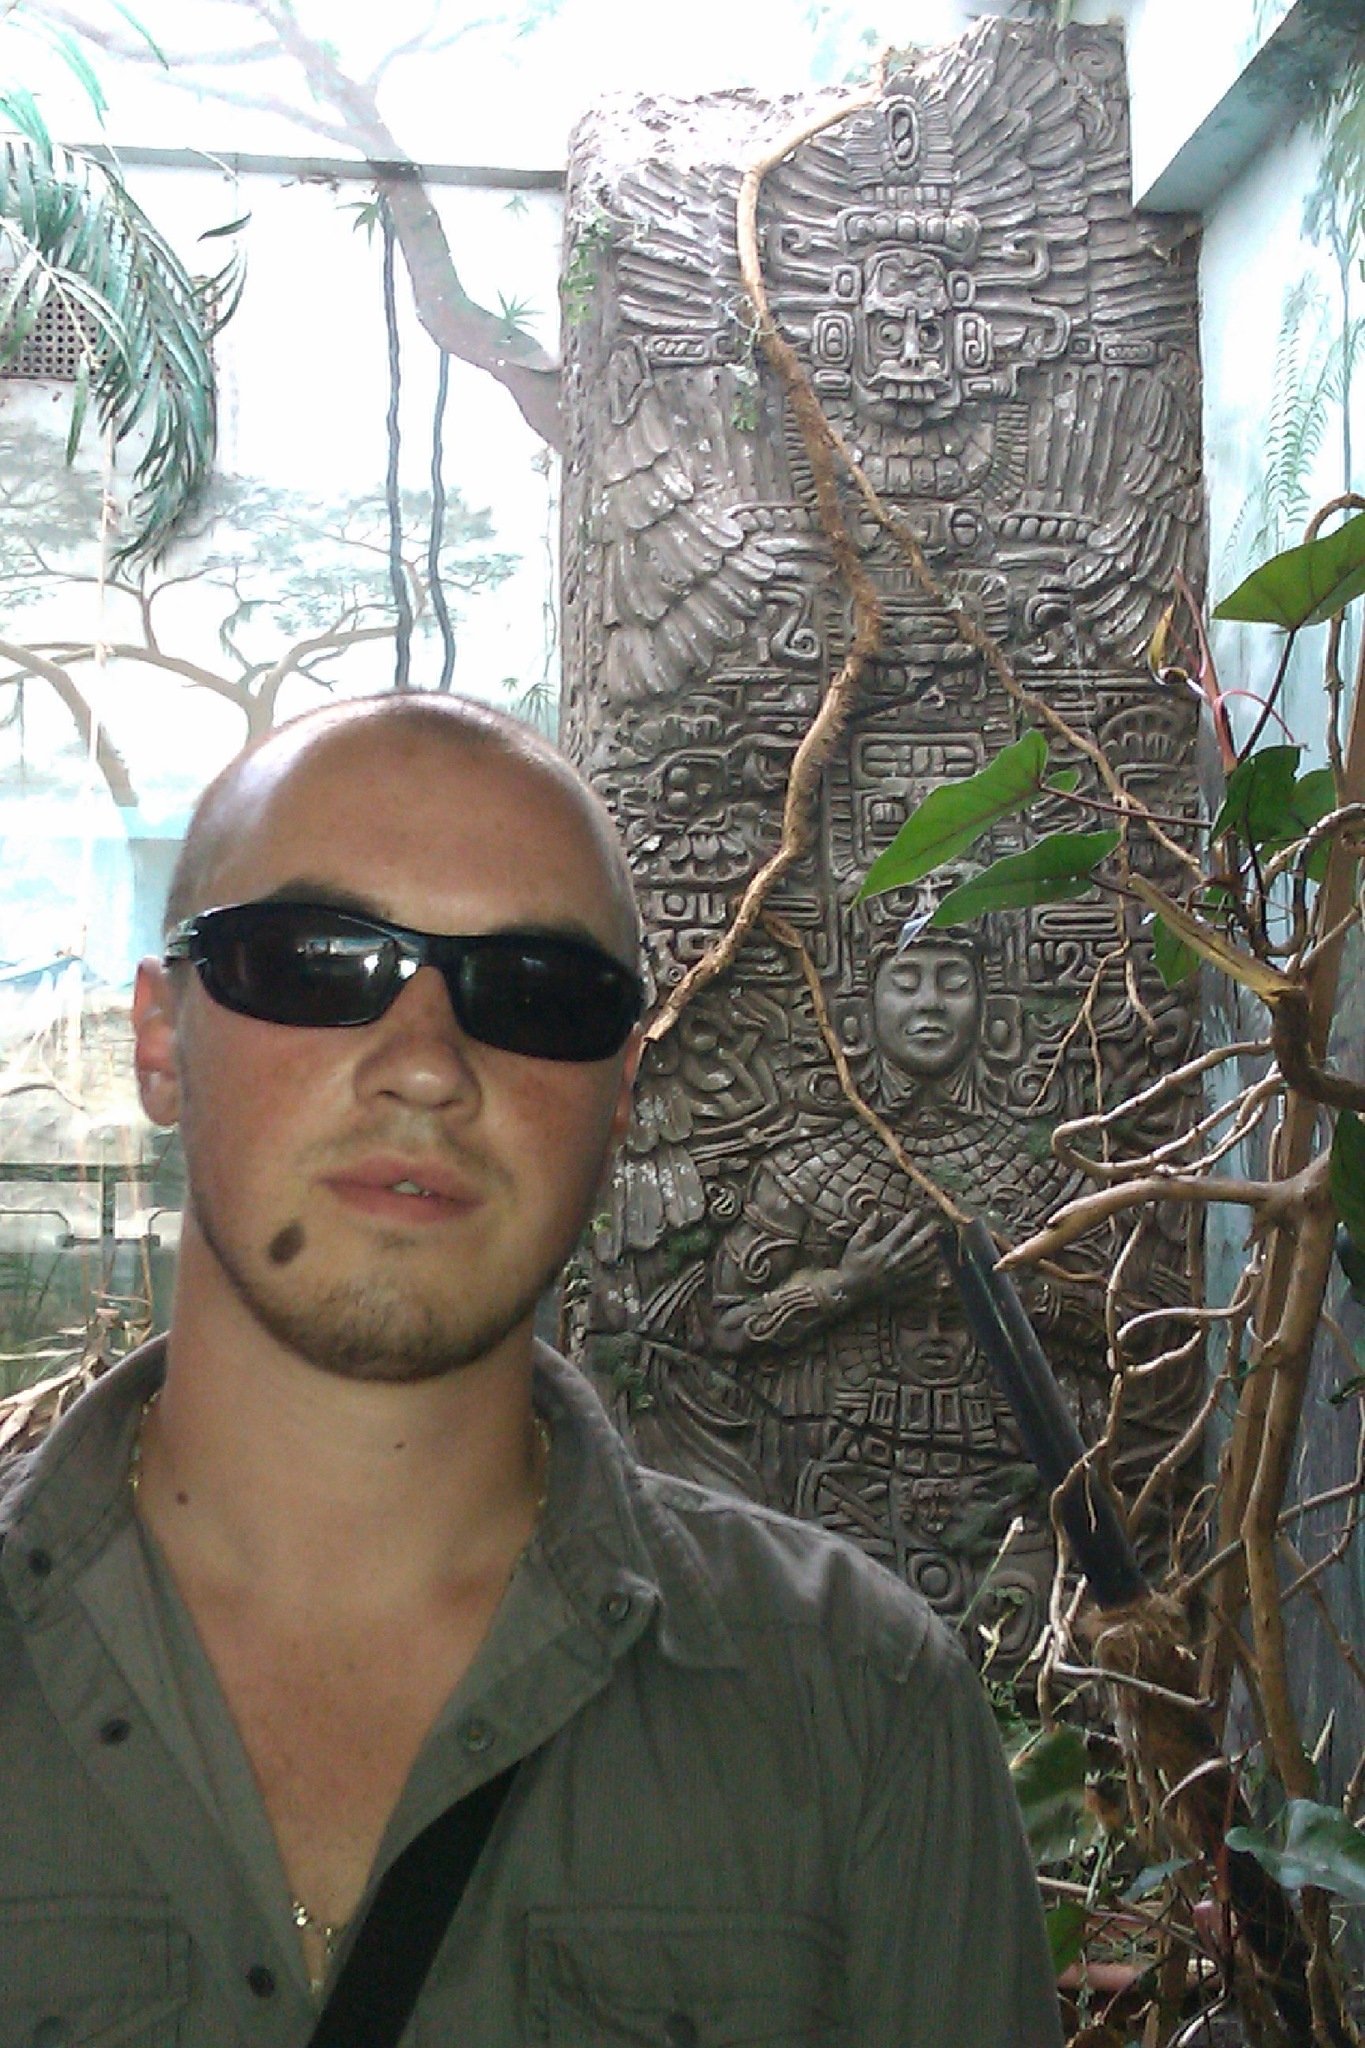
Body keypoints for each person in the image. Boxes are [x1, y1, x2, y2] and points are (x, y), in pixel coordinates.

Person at [0, 693, 1063, 2045]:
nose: (427, 1067)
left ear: (618, 1095)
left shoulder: (859, 1710)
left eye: (535, 993)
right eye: (317, 961)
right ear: (161, 1040)